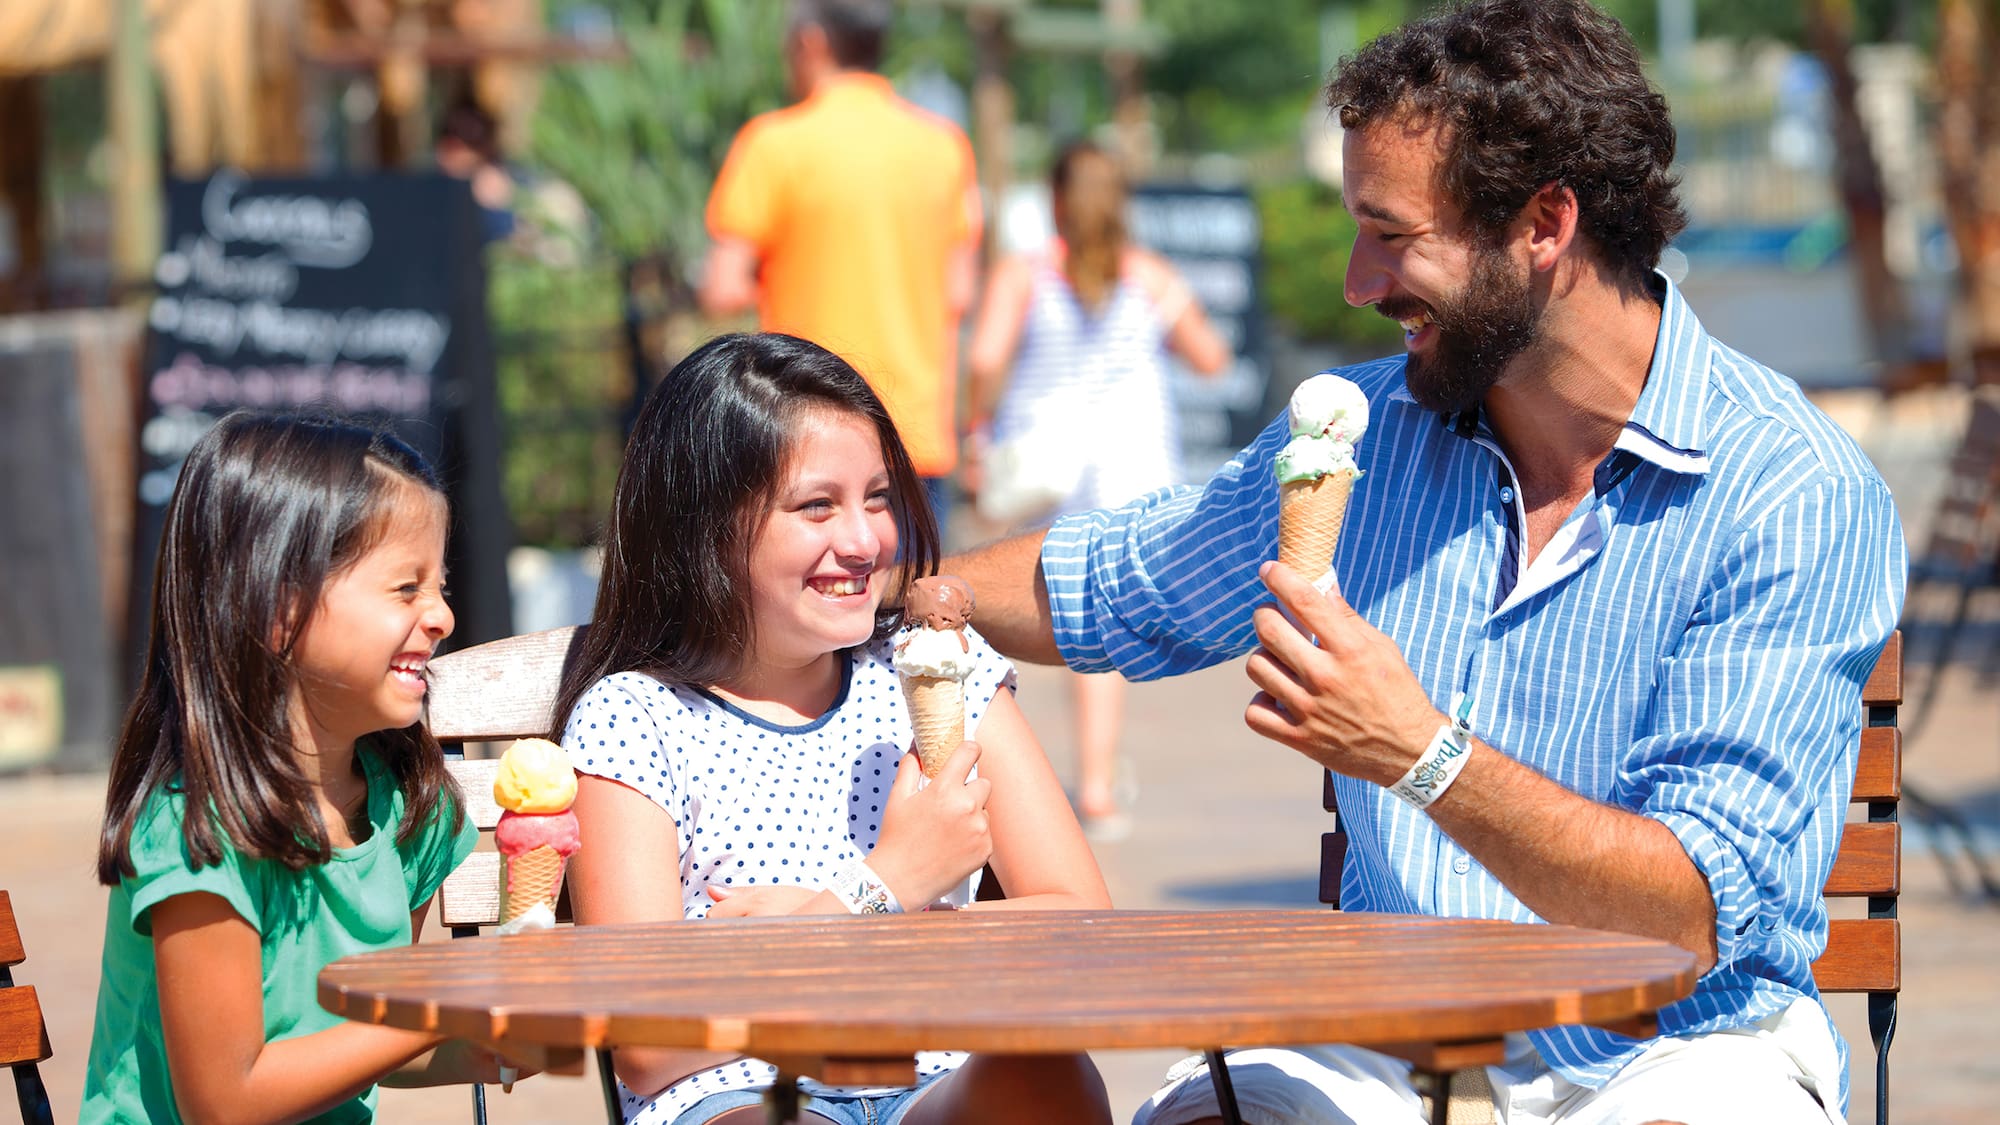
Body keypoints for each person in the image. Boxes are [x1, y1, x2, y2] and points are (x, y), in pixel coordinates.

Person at [945, 2, 1907, 1123]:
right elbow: (1114, 583)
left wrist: (1418, 753)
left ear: (1543, 224)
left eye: (1390, 234)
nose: (1357, 281)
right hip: (1385, 1046)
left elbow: (1685, 913)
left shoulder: (1789, 491)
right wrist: (886, 587)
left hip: (1679, 1045)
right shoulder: (1358, 436)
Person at [553, 332, 1114, 1125]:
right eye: (817, 505)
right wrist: (883, 890)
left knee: (1052, 1077)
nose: (864, 541)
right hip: (739, 1092)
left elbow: (1087, 931)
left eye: (879, 497)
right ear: (705, 525)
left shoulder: (941, 671)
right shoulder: (634, 718)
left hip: (939, 1081)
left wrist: (790, 934)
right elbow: (649, 1037)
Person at [83, 412, 526, 1123]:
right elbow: (226, 1100)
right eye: (406, 588)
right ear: (278, 607)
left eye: (439, 585)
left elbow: (362, 1043)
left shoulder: (412, 810)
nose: (442, 614)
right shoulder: (196, 827)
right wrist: (438, 1007)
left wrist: (481, 1045)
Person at [964, 140, 1230, 839]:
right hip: (1134, 465)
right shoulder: (1149, 277)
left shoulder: (1025, 275)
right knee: (1099, 625)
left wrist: (977, 426)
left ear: (1054, 199)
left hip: (1047, 467)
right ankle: (1098, 785)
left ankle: (1041, 775)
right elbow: (1211, 359)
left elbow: (987, 357)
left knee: (1022, 603)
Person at [698, 0, 982, 537]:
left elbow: (721, 287)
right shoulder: (945, 147)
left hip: (806, 435)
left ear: (812, 42)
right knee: (916, 613)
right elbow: (960, 291)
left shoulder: (772, 144)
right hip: (913, 438)